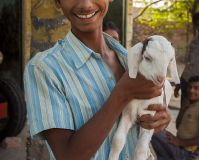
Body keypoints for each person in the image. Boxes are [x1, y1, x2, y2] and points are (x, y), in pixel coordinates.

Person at [23, 0, 171, 160]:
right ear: (58, 2)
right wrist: (122, 94)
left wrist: (158, 119)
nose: (86, 4)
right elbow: (67, 156)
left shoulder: (131, 59)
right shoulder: (45, 70)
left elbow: (146, 117)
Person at [152, 76, 199, 160]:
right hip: (179, 148)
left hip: (187, 153)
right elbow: (178, 126)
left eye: (196, 88)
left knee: (152, 129)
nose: (191, 90)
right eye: (189, 87)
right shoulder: (190, 106)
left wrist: (180, 142)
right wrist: (183, 109)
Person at [174, 11, 199, 128]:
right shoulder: (195, 41)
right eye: (198, 25)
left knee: (196, 118)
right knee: (181, 117)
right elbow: (189, 64)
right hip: (186, 82)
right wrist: (180, 83)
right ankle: (179, 140)